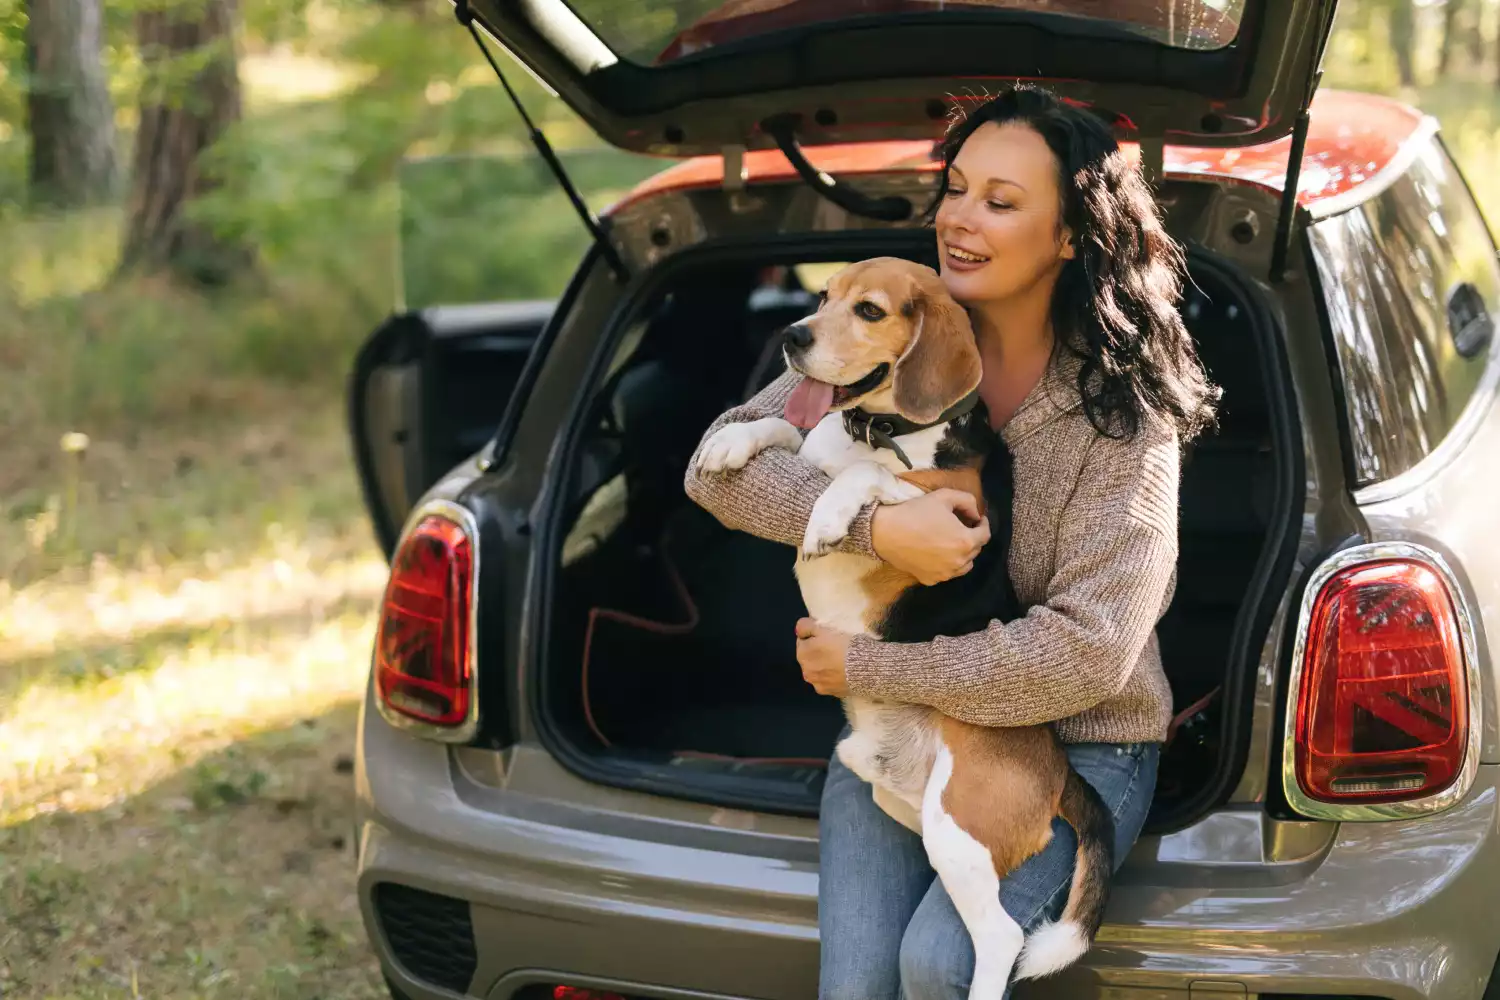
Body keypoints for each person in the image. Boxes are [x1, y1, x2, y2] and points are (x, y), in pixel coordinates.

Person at [683, 84, 1218, 1000]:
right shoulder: (883, 341)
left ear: (1070, 237)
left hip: (1077, 746)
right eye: (957, 189)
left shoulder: (1126, 425)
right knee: (855, 988)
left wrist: (871, 667)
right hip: (900, 731)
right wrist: (880, 525)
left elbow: (1087, 655)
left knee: (940, 962)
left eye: (1000, 202)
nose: (960, 220)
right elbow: (714, 471)